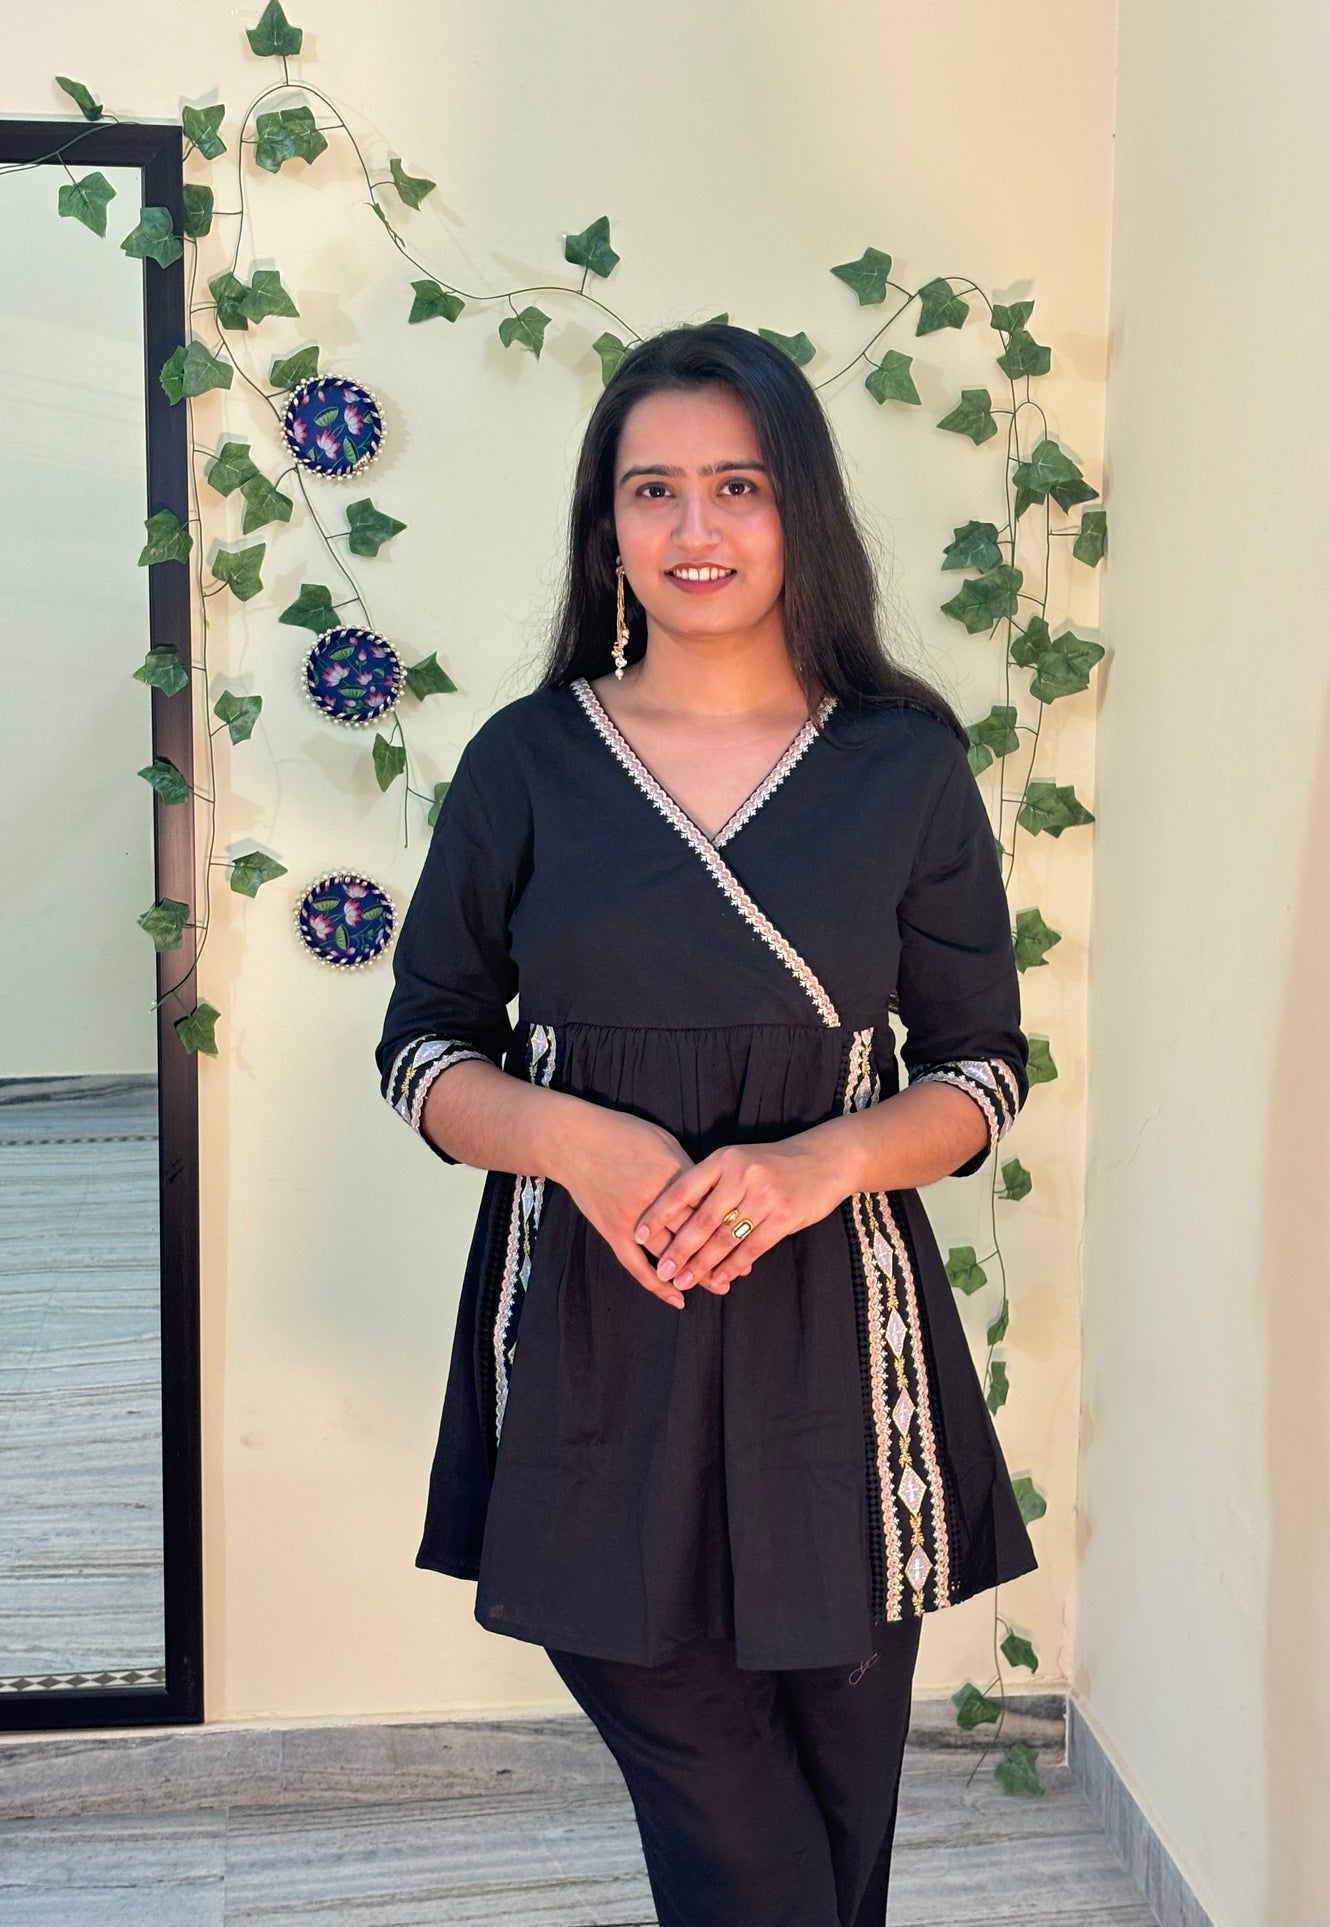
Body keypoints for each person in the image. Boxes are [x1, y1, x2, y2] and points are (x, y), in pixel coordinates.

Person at [375, 322, 1039, 1927]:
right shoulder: (529, 760)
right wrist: (579, 1143)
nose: (694, 527)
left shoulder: (901, 765)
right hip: (594, 1337)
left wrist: (821, 1163)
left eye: (737, 486)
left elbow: (979, 1069)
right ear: (604, 527)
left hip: (838, 1348)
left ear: (799, 509)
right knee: (736, 1828)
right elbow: (423, 1051)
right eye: (651, 489)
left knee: (835, 1819)